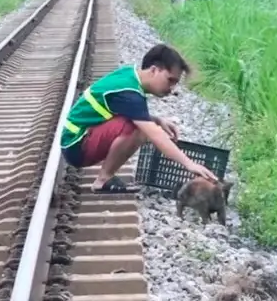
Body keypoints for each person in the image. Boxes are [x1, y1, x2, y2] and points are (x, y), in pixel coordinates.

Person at [60, 43, 219, 193]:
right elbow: (155, 135)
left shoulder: (129, 75)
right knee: (139, 129)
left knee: (140, 124)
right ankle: (104, 180)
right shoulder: (130, 93)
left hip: (77, 140)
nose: (172, 89)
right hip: (77, 147)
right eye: (170, 80)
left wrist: (158, 120)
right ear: (154, 70)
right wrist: (189, 164)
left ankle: (105, 176)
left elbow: (124, 110)